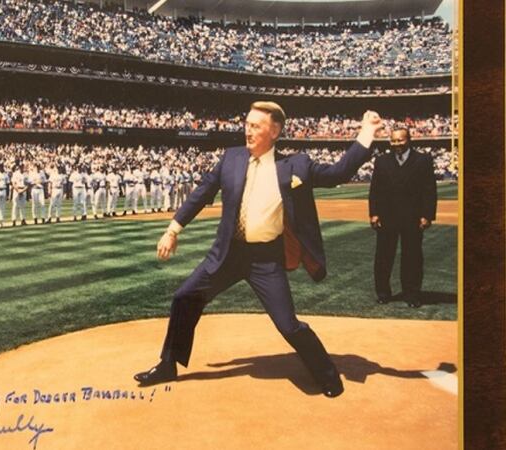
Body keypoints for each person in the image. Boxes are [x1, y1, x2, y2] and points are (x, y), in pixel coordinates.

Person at [134, 102, 384, 399]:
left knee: (288, 325)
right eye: (247, 124)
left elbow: (337, 174)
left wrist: (366, 133)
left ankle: (328, 375)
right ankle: (168, 364)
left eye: (255, 126)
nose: (248, 131)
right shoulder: (231, 158)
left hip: (265, 260)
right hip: (227, 254)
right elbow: (202, 193)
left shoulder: (296, 165)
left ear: (274, 131)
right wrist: (172, 230)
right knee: (184, 298)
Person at [369, 127, 437, 308]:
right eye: (393, 140)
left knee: (412, 257)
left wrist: (427, 215)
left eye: (400, 140)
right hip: (387, 217)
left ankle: (412, 294)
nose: (396, 144)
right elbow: (375, 189)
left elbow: (429, 190)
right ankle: (383, 293)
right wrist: (374, 213)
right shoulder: (382, 161)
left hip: (412, 217)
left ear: (409, 140)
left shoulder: (423, 160)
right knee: (383, 257)